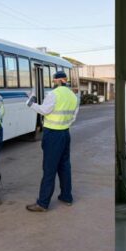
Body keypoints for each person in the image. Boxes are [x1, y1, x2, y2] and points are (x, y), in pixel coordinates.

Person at [25, 69, 80, 212]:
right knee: (64, 166)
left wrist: (30, 103)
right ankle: (66, 197)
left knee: (49, 169)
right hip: (65, 133)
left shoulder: (53, 94)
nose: (53, 83)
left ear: (58, 80)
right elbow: (73, 117)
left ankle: (42, 203)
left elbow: (44, 110)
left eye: (54, 80)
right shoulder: (73, 96)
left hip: (52, 134)